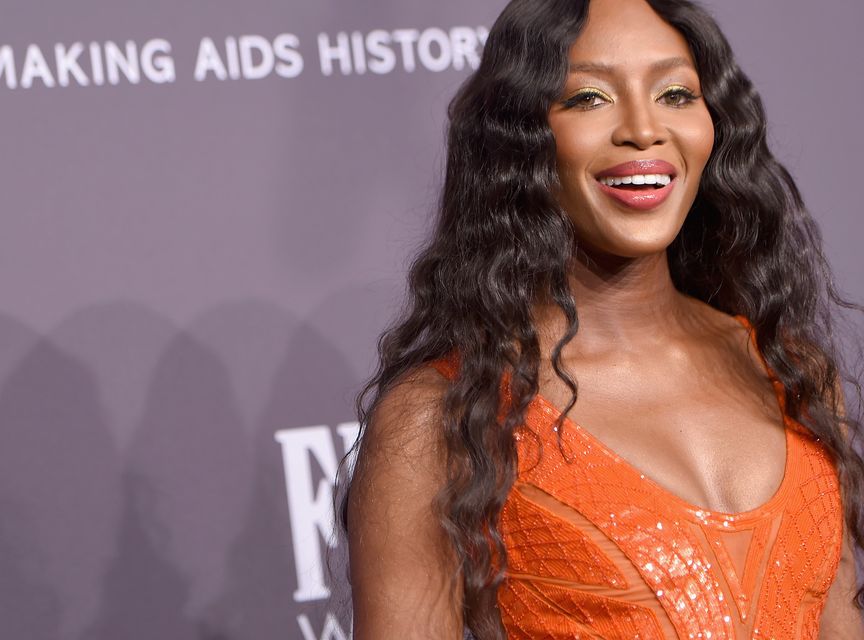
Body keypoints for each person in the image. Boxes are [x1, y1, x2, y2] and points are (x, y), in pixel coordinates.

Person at [339, 0, 864, 638]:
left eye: (676, 93)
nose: (644, 129)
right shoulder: (446, 417)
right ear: (520, 138)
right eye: (589, 99)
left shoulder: (790, 372)